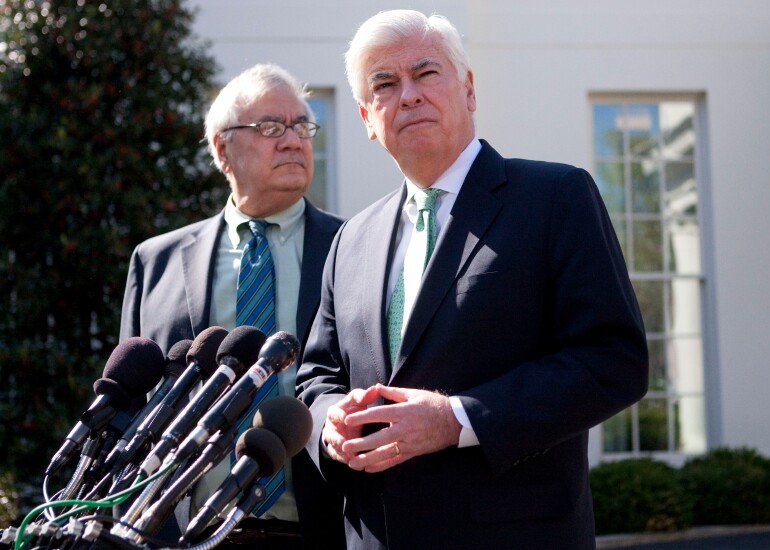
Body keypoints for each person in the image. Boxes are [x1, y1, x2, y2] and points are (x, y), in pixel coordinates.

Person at [296, 10, 649, 549]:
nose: (408, 95)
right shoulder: (352, 239)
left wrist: (455, 419)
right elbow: (316, 376)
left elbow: (613, 360)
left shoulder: (555, 197)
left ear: (469, 90)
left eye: (426, 73)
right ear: (368, 117)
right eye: (385, 85)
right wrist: (329, 424)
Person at [119, 63, 345, 550]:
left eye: (302, 126)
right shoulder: (155, 261)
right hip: (182, 535)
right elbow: (131, 412)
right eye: (270, 127)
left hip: (322, 529)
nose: (292, 140)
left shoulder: (356, 249)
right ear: (222, 148)